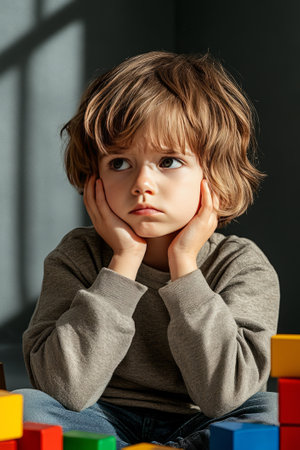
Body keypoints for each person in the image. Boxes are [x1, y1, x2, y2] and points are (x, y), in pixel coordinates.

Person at [15, 51, 280, 450]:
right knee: (24, 407)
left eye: (168, 161)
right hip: (101, 418)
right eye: (119, 162)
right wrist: (122, 264)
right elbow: (63, 389)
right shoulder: (77, 255)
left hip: (199, 423)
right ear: (94, 180)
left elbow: (226, 397)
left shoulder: (242, 266)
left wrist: (185, 268)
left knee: (273, 412)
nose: (142, 183)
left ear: (215, 174)